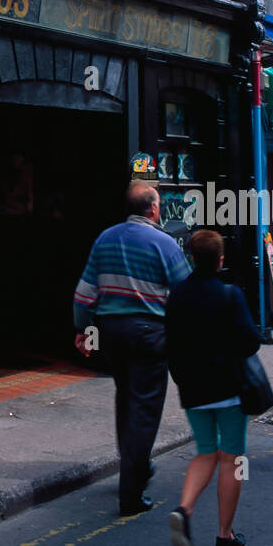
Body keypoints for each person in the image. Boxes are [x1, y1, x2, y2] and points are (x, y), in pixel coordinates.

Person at [73, 182, 190, 516]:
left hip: (111, 335)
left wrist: (82, 330)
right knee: (145, 410)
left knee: (126, 399)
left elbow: (84, 292)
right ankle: (131, 492)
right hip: (149, 335)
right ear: (153, 208)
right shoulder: (165, 244)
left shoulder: (105, 239)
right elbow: (184, 295)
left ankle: (137, 464)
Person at [164, 229, 263, 546]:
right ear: (220, 260)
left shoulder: (176, 295)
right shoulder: (230, 295)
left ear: (191, 258)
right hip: (229, 391)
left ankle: (185, 508)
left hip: (193, 389)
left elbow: (171, 344)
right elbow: (250, 342)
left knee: (205, 452)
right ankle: (224, 536)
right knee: (231, 459)